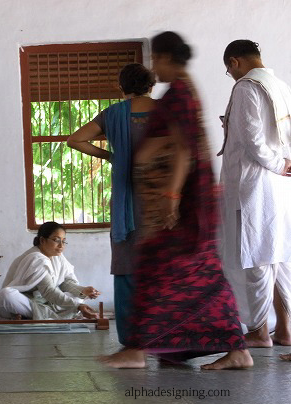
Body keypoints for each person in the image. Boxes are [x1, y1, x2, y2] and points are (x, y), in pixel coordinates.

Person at [101, 31, 252, 370]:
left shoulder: (180, 93)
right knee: (197, 277)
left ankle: (138, 350)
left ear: (167, 57)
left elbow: (184, 149)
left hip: (182, 208)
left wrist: (170, 198)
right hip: (181, 205)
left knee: (162, 271)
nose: (155, 68)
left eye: (156, 59)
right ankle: (229, 349)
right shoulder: (180, 91)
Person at [67, 63, 156, 345]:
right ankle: (164, 334)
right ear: (151, 85)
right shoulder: (164, 111)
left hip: (126, 202)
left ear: (121, 87)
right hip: (159, 197)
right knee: (162, 263)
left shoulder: (114, 114)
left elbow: (75, 140)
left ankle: (132, 340)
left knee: (127, 261)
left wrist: (110, 156)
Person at [219, 40, 291, 349]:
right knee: (279, 256)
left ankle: (260, 331)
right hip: (278, 182)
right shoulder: (280, 85)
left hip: (254, 183)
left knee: (258, 256)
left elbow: (252, 138)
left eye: (227, 70)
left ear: (234, 62)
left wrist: (275, 163)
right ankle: (286, 330)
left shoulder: (246, 87)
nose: (230, 75)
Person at [0, 221, 100, 320]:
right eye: (56, 240)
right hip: (26, 299)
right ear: (42, 240)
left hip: (45, 301)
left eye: (63, 241)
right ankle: (48, 316)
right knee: (5, 295)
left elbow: (65, 282)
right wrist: (77, 306)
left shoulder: (58, 256)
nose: (61, 245)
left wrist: (82, 291)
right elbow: (49, 291)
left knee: (77, 298)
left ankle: (31, 316)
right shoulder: (36, 258)